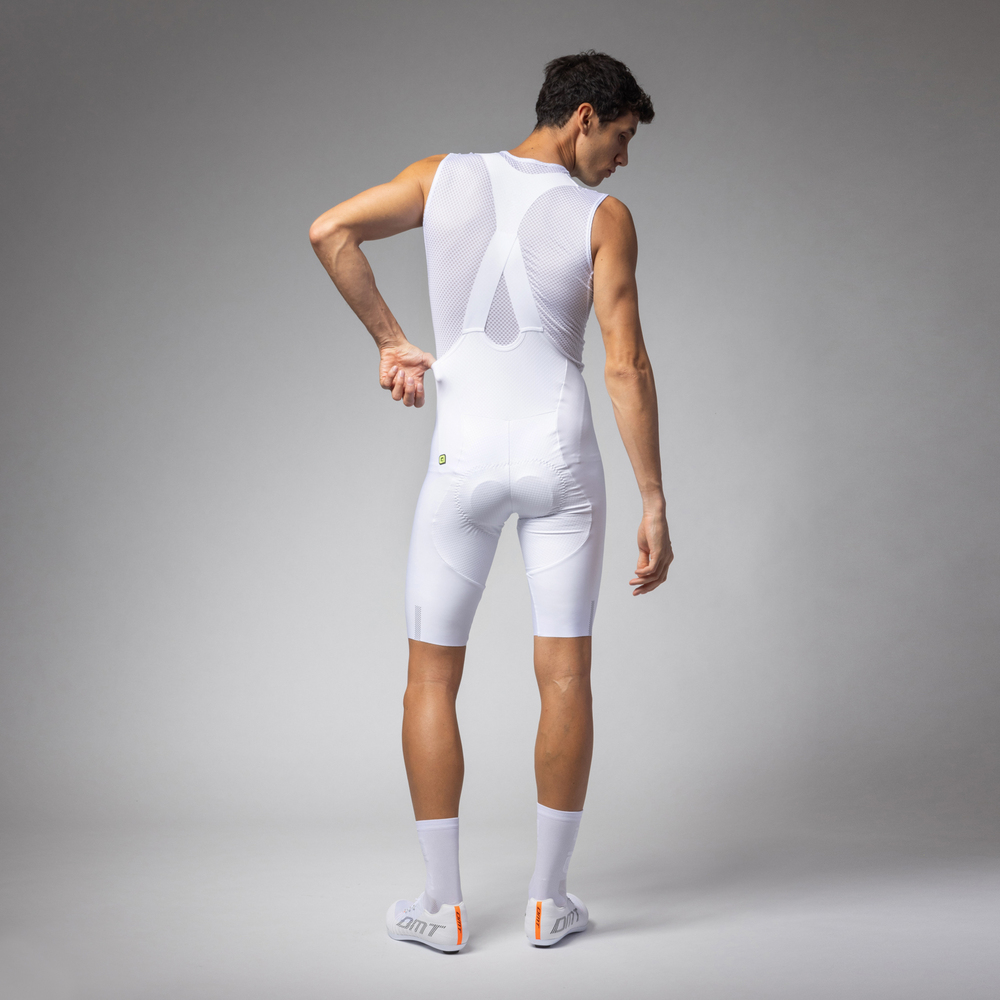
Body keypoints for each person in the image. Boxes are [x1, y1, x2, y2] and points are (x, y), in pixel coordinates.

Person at [309, 50, 671, 952]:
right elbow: (625, 364)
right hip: (561, 458)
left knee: (431, 678)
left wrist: (392, 341)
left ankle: (442, 907)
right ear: (584, 117)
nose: (623, 159)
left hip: (460, 459)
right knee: (567, 675)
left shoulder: (441, 178)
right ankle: (550, 902)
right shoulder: (605, 218)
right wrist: (655, 500)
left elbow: (329, 231)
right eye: (622, 137)